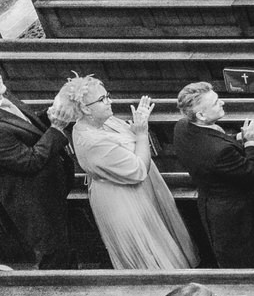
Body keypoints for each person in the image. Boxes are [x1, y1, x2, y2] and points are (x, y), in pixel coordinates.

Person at [53, 77, 197, 269]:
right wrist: (141, 132)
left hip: (138, 192)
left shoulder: (105, 120)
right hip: (123, 200)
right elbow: (137, 170)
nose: (109, 101)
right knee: (150, 252)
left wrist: (137, 125)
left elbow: (129, 142)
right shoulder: (92, 141)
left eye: (107, 96)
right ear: (86, 109)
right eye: (102, 99)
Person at [173, 82, 254, 268]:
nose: (222, 102)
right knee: (246, 260)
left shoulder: (183, 126)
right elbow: (250, 174)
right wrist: (252, 143)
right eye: (216, 103)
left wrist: (238, 139)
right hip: (234, 214)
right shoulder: (219, 152)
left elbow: (214, 142)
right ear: (201, 115)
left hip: (210, 199)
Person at [0, 74, 77, 269]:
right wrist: (57, 127)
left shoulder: (5, 95)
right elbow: (29, 161)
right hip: (30, 202)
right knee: (50, 255)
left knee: (64, 248)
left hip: (49, 191)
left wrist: (48, 115)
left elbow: (25, 125)